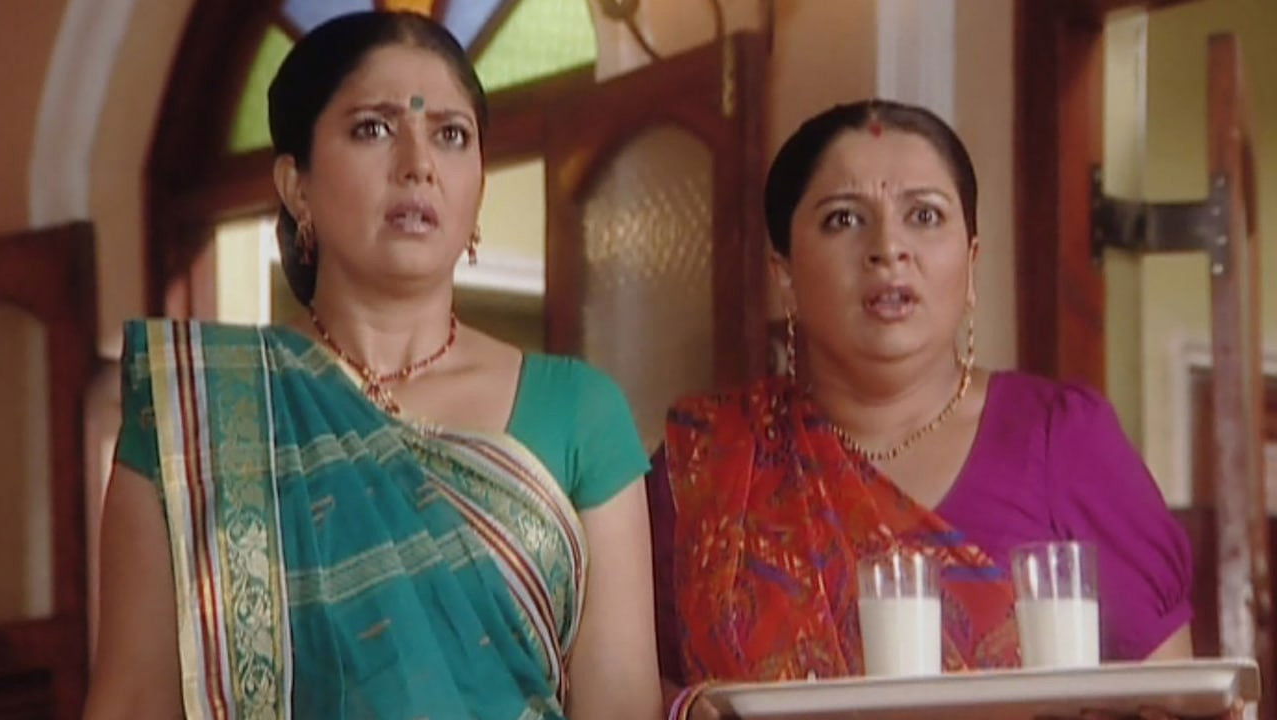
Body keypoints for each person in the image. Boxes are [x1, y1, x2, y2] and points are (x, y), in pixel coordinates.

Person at [85, 11, 661, 720]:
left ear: (479, 186)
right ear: (297, 185)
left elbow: (621, 705)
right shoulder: (199, 415)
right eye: (373, 129)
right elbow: (133, 701)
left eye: (451, 135)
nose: (418, 164)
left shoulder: (580, 414)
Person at [648, 100, 1195, 715]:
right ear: (786, 276)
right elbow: (623, 690)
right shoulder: (710, 462)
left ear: (971, 263)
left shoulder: (1064, 439)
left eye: (925, 215)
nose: (888, 248)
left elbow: (1174, 700)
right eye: (844, 219)